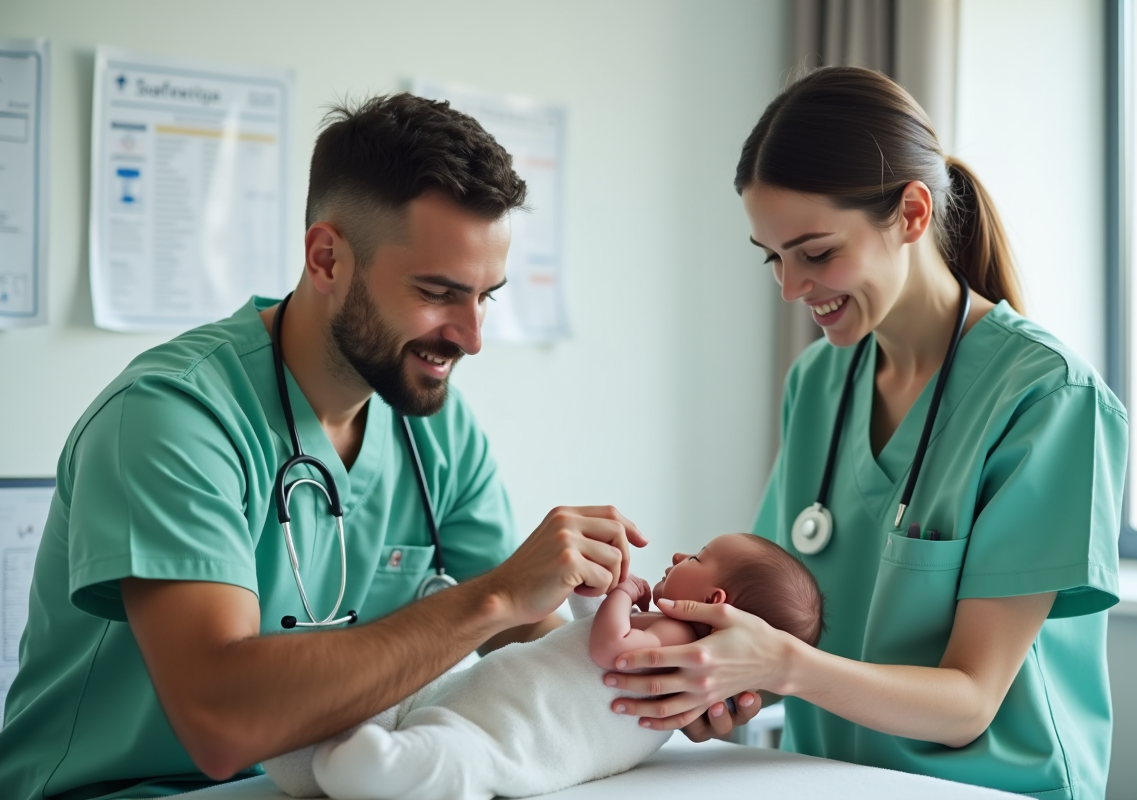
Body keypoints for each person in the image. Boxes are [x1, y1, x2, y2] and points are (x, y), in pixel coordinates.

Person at [0, 94, 661, 800]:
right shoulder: (172, 420)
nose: (471, 337)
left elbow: (531, 652)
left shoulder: (434, 428)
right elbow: (220, 724)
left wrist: (659, 675)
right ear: (327, 259)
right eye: (439, 292)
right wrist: (493, 596)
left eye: (486, 297)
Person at [602, 67, 1127, 800]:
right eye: (772, 257)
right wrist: (704, 671)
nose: (790, 288)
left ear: (911, 214)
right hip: (829, 781)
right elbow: (771, 623)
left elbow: (971, 701)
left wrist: (778, 666)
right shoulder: (817, 384)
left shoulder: (1045, 397)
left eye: (815, 253)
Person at [262, 533, 823, 800]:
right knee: (418, 694)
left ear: (717, 600)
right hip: (481, 696)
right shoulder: (674, 656)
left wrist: (623, 592)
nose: (679, 557)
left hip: (510, 732)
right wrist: (596, 593)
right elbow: (588, 637)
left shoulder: (676, 637)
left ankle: (370, 762)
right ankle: (336, 751)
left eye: (697, 558)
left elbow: (607, 649)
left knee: (457, 756)